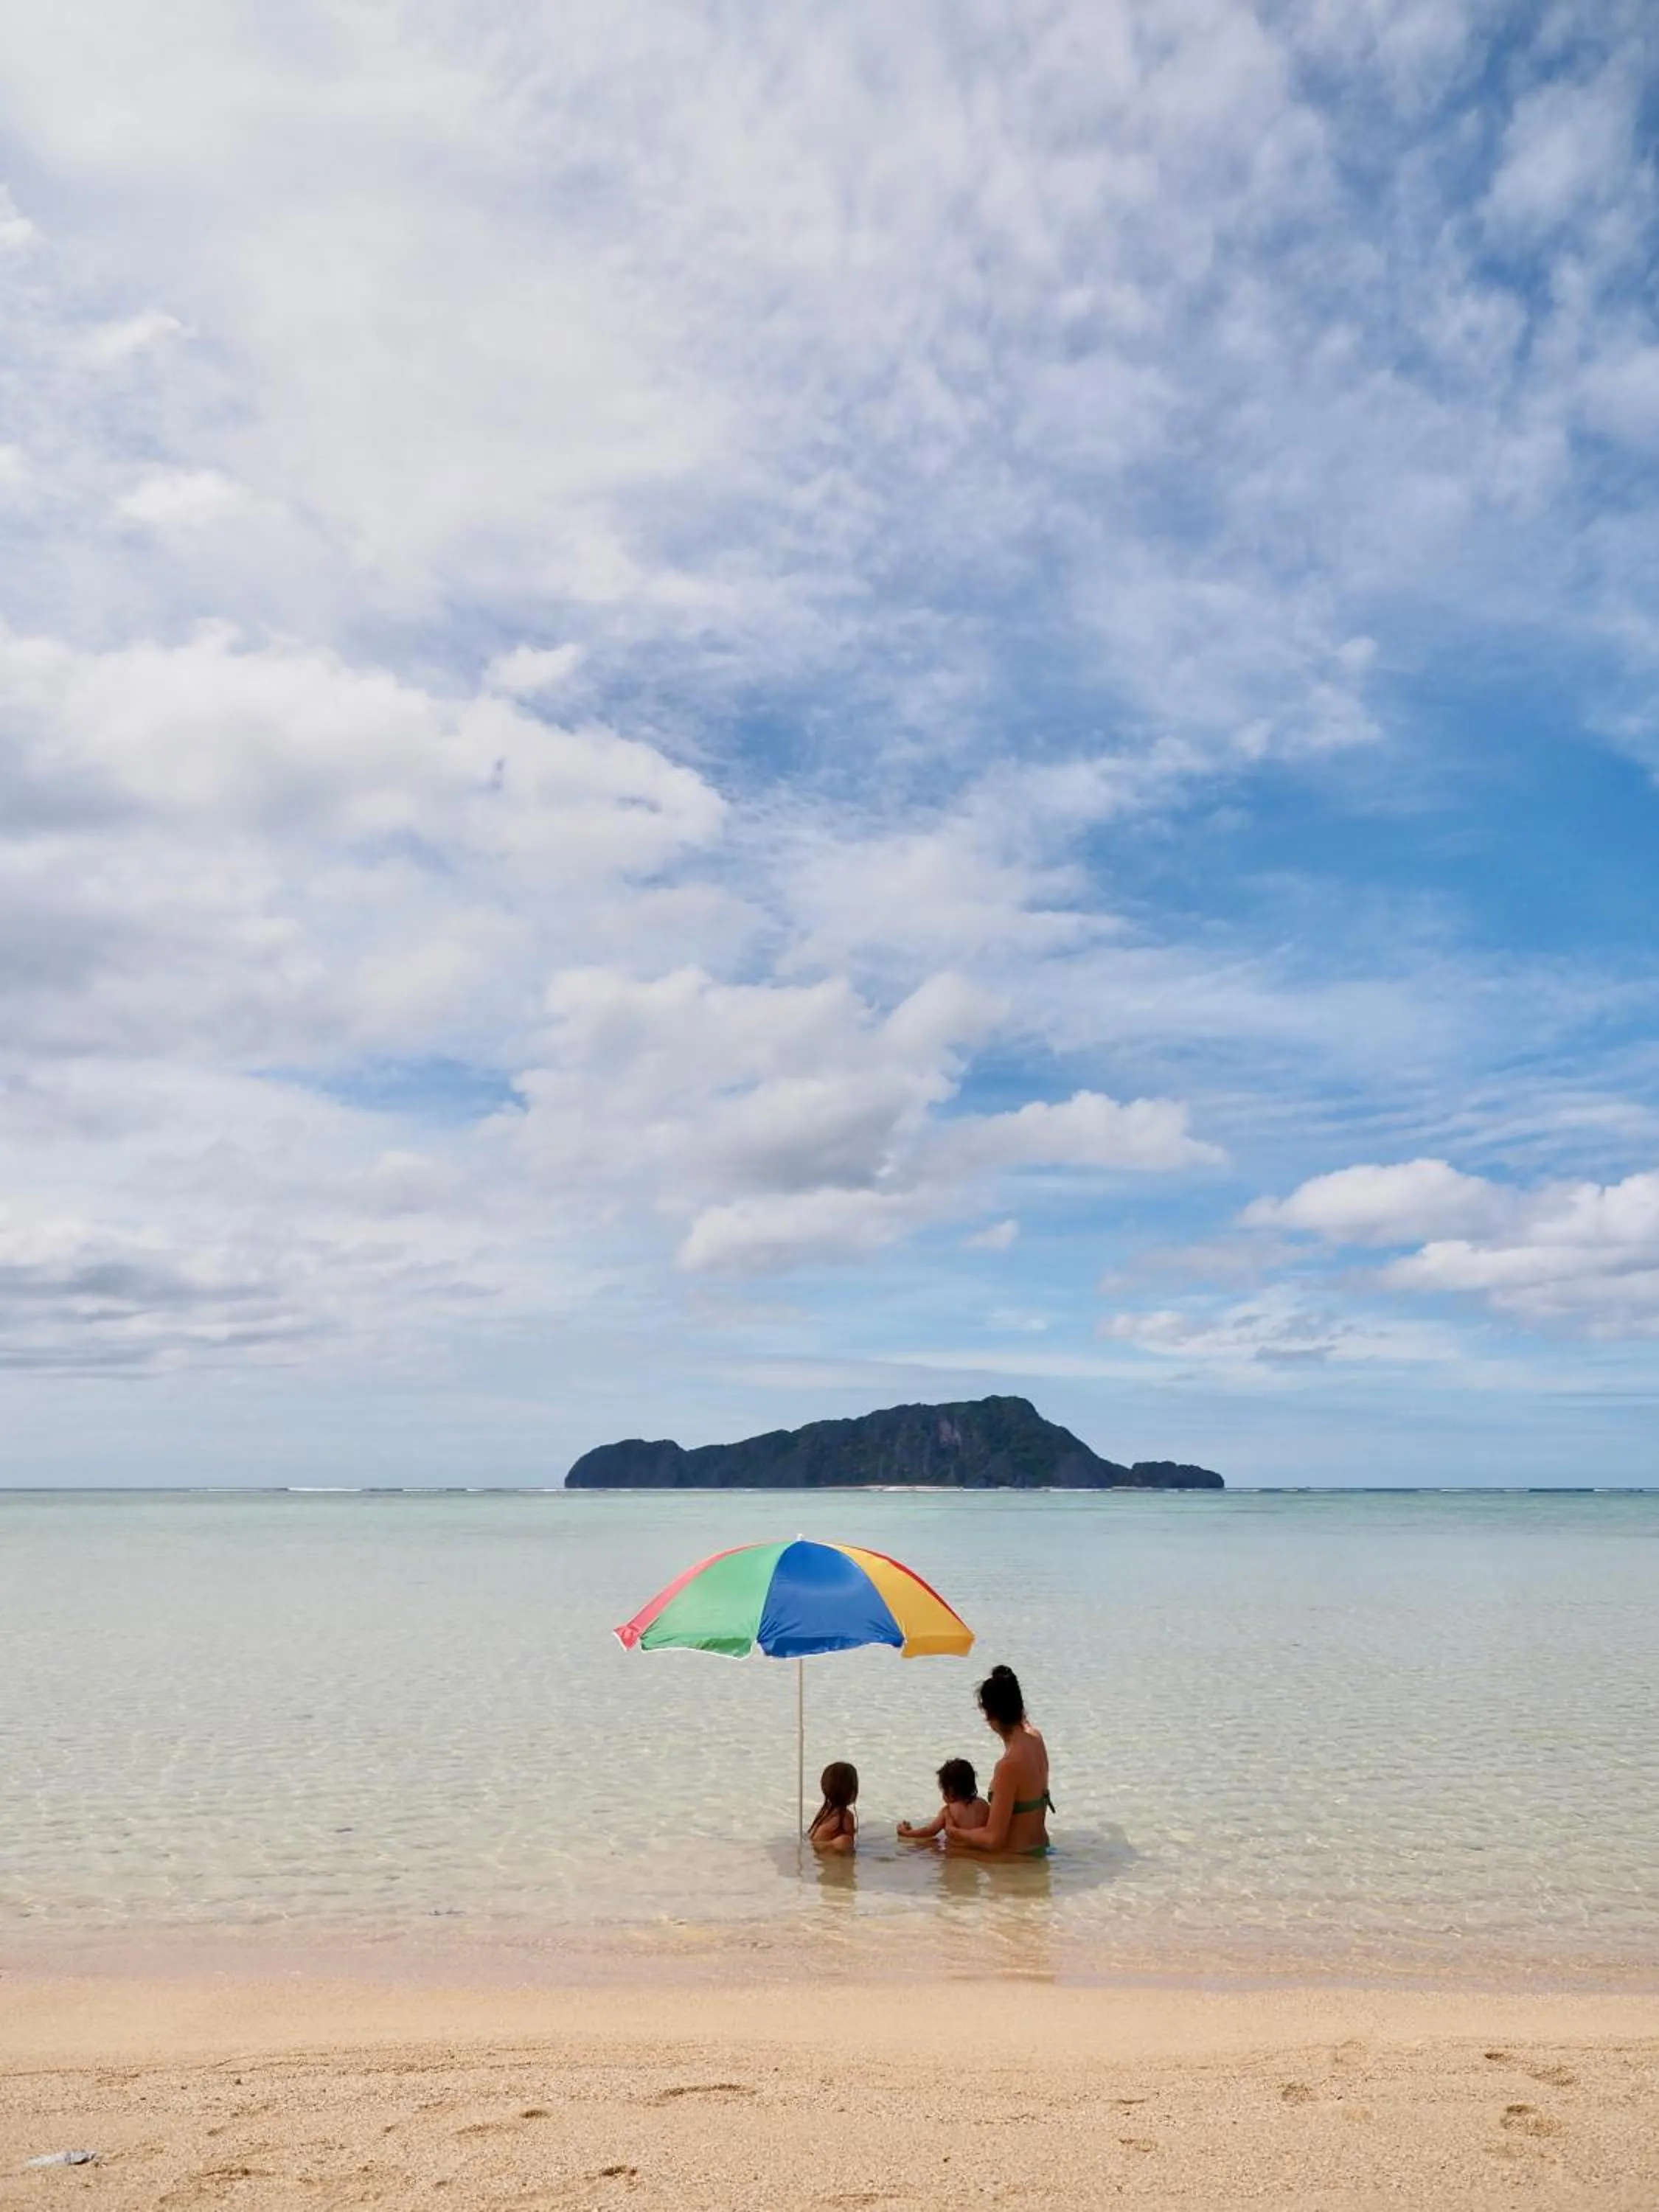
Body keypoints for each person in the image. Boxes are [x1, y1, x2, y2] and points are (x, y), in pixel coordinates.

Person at [944, 1664, 1051, 1854]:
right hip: (1040, 1849)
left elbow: (993, 1839)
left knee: (930, 1851)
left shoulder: (1008, 1765)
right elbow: (1022, 1719)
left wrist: (954, 1831)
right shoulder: (1036, 1739)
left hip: (1016, 1860)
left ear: (989, 1715)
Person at [897, 1757, 990, 1842]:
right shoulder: (984, 1805)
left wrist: (907, 1833)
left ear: (949, 1791)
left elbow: (929, 1831)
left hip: (957, 1852)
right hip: (980, 1846)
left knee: (932, 1843)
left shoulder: (948, 1811)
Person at [807, 1759, 859, 1853]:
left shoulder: (824, 1813)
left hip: (817, 1848)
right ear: (852, 1791)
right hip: (828, 1852)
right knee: (846, 1841)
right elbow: (851, 1847)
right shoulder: (846, 1817)